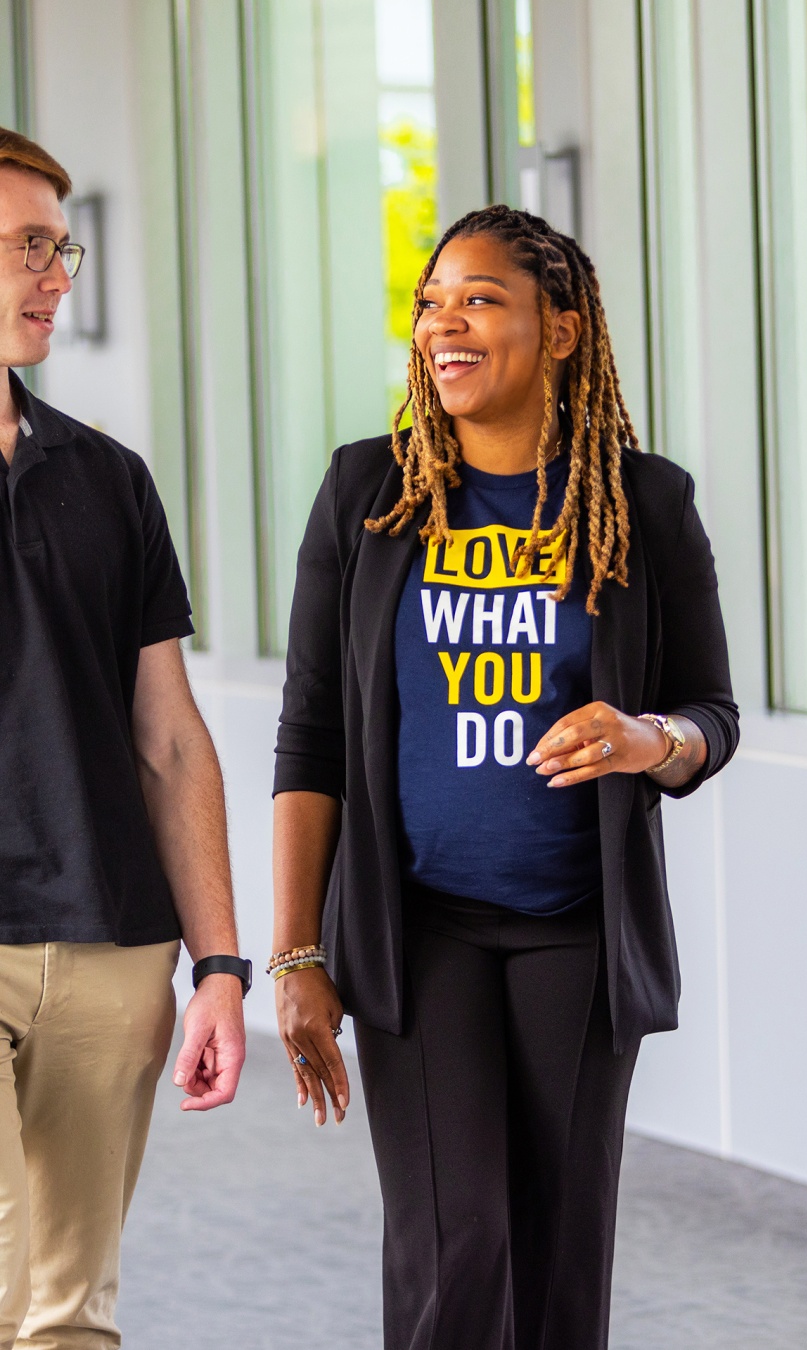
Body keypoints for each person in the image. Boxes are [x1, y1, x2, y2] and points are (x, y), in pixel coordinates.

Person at [272, 203, 738, 1350]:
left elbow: (709, 716)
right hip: (415, 930)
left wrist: (647, 742)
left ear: (563, 330)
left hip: (578, 932)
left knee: (559, 1251)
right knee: (455, 1243)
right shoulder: (366, 498)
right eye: (433, 303)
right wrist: (295, 952)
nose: (445, 325)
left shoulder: (646, 504)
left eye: (480, 299)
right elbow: (311, 736)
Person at [0, 128, 251, 1349]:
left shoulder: (108, 479)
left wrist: (218, 965)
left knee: (69, 1316)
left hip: (110, 947)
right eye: (25, 248)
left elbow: (170, 738)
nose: (54, 275)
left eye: (60, 246)